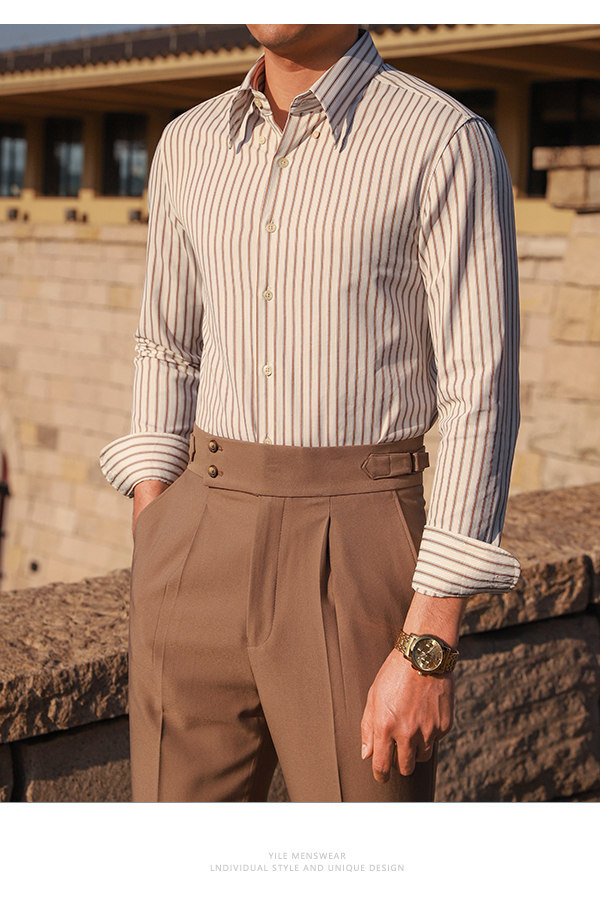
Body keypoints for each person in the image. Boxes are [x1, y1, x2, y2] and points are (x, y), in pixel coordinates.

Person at [100, 24, 521, 802]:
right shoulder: (188, 143)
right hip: (195, 539)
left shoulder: (444, 140)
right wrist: (154, 521)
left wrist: (429, 642)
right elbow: (167, 344)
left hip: (358, 540)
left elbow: (481, 389)